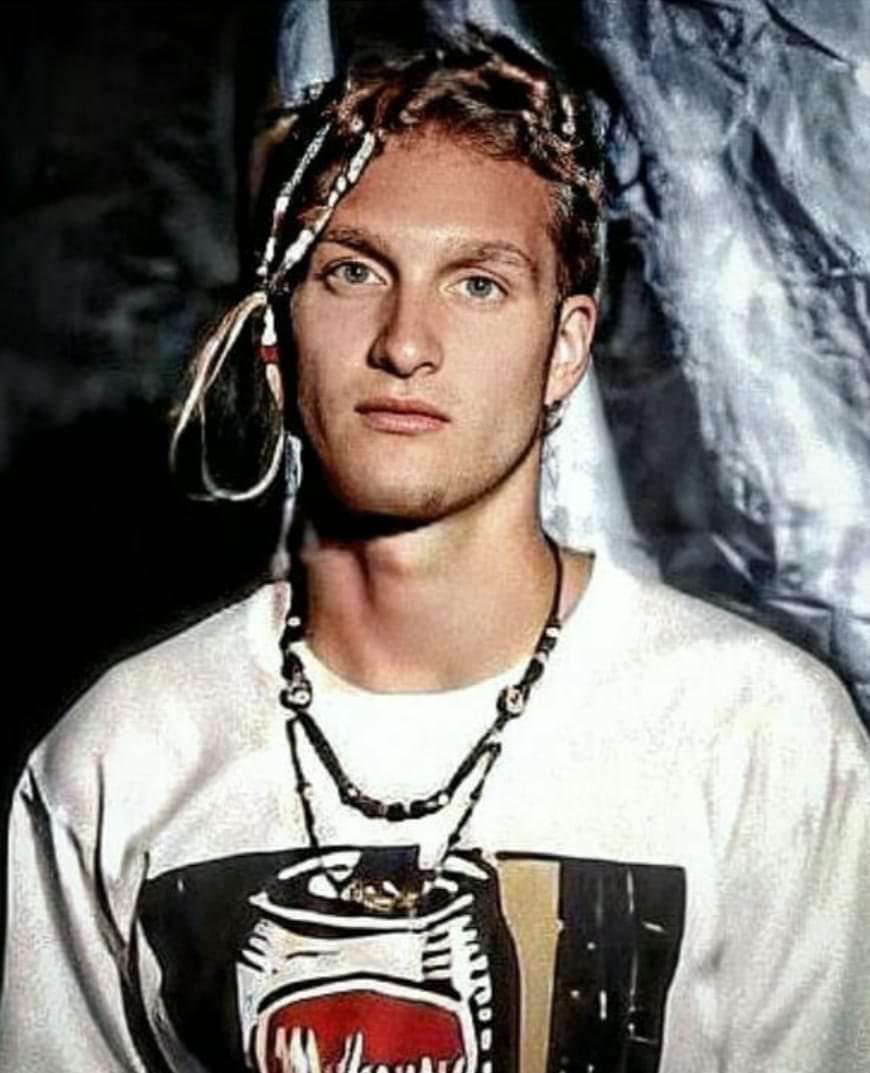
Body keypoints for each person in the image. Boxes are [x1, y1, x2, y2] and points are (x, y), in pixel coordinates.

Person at [2, 32, 869, 1073]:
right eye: (353, 271)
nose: (406, 342)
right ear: (275, 339)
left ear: (565, 347)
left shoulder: (763, 736)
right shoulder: (117, 755)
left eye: (479, 284)